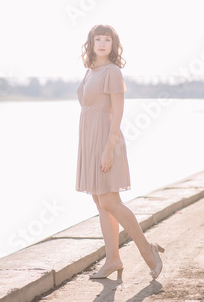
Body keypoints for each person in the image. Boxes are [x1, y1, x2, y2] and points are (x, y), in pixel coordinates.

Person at [75, 24, 165, 280]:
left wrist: (108, 150)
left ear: (113, 45)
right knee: (100, 203)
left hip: (106, 140)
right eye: (97, 39)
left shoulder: (113, 72)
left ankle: (148, 251)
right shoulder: (90, 71)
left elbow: (117, 113)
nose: (102, 44)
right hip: (89, 139)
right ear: (90, 43)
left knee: (110, 201)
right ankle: (113, 259)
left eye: (107, 40)